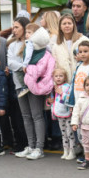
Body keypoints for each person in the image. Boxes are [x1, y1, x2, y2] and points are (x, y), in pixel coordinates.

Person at [19, 26, 56, 160]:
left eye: (30, 32)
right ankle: (30, 145)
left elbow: (42, 71)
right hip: (22, 85)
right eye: (26, 32)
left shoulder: (45, 53)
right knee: (26, 116)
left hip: (36, 86)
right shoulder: (25, 48)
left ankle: (39, 148)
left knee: (37, 116)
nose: (27, 35)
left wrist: (27, 68)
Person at [51, 67, 76, 160]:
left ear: (64, 77)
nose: (58, 78)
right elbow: (55, 101)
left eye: (61, 76)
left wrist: (62, 93)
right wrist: (50, 102)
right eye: (56, 76)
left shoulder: (67, 87)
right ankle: (65, 151)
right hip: (59, 114)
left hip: (67, 113)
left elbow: (68, 99)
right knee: (63, 133)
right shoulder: (55, 88)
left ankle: (72, 151)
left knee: (70, 133)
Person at [51, 12, 83, 79]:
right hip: (63, 84)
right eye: (64, 24)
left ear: (73, 25)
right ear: (60, 27)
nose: (67, 26)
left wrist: (84, 58)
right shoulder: (56, 46)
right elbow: (54, 66)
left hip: (81, 79)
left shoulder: (82, 40)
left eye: (69, 23)